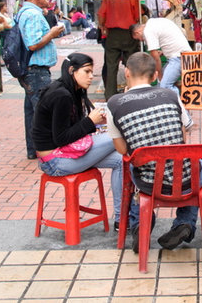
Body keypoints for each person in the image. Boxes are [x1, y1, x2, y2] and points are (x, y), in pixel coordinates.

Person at [33, 52, 137, 232]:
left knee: (121, 160)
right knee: (118, 137)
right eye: (87, 72)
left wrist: (95, 122)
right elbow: (61, 138)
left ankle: (122, 220)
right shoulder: (61, 95)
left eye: (91, 72)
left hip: (65, 153)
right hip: (55, 160)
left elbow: (71, 130)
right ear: (72, 70)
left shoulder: (70, 90)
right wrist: (90, 121)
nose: (91, 77)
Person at [107, 52, 194, 252]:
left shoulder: (114, 103)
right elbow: (186, 129)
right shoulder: (171, 95)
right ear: (155, 75)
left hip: (148, 184)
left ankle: (139, 224)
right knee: (199, 165)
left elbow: (122, 150)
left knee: (132, 165)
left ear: (127, 73)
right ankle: (185, 223)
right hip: (184, 181)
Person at [18, 0, 64, 159]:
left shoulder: (26, 13)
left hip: (32, 69)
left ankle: (34, 149)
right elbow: (33, 44)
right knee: (43, 110)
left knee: (32, 110)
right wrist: (52, 33)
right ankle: (46, 150)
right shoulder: (32, 15)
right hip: (36, 70)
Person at [130, 18, 192, 95]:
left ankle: (177, 103)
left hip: (178, 57)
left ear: (137, 32)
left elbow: (156, 59)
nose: (141, 40)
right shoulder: (153, 22)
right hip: (182, 54)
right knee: (161, 84)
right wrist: (164, 51)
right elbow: (171, 38)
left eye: (138, 39)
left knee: (165, 86)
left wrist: (159, 76)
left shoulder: (147, 31)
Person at [98, 0, 140, 100]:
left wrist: (102, 26)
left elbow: (101, 14)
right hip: (129, 32)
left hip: (112, 33)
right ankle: (133, 90)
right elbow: (137, 15)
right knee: (131, 64)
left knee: (111, 65)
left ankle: (110, 95)